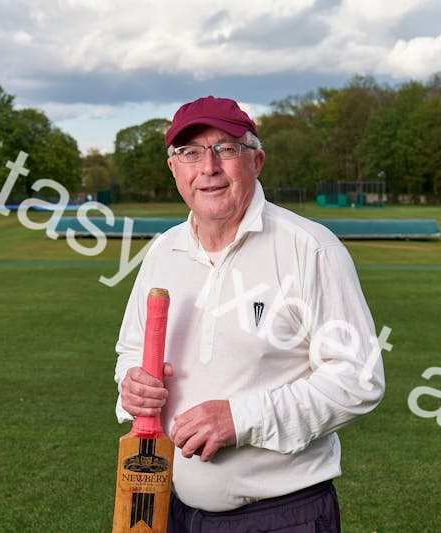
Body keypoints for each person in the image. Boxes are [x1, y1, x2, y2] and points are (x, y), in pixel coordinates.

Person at [114, 96, 385, 532]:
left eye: (225, 148)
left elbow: (358, 379)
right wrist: (132, 383)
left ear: (256, 160)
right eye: (190, 153)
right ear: (174, 169)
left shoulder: (309, 249)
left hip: (282, 517)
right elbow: (131, 348)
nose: (208, 167)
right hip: (173, 510)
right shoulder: (163, 252)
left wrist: (241, 419)